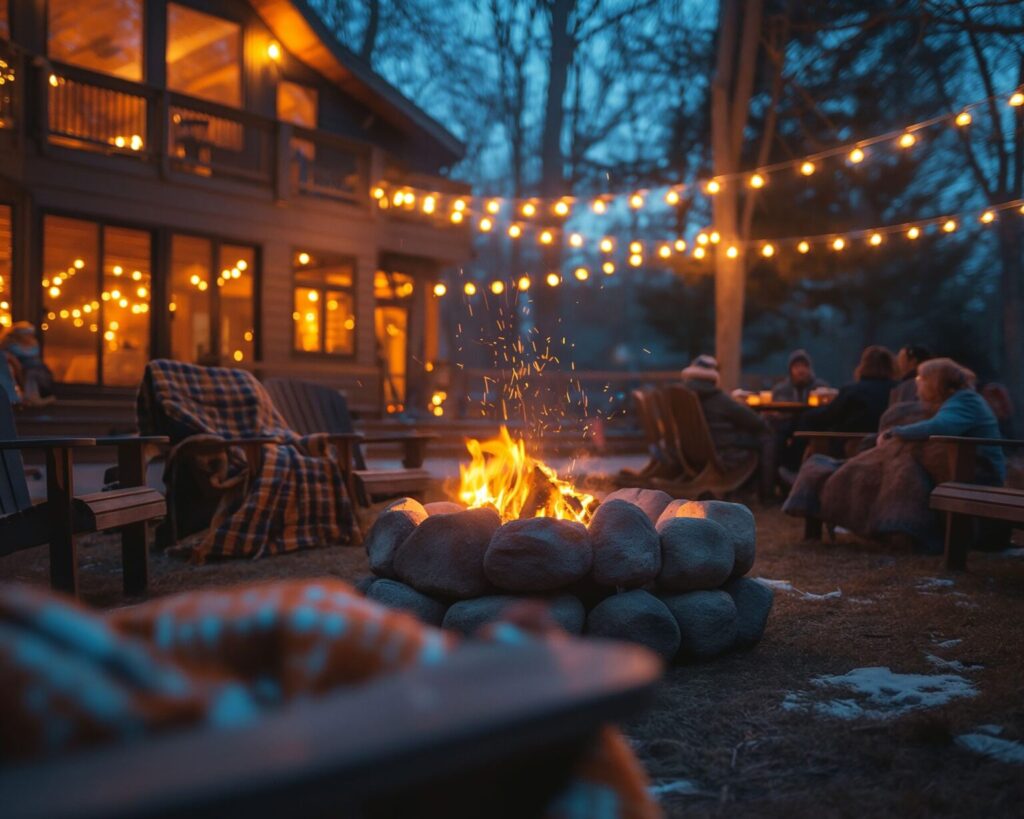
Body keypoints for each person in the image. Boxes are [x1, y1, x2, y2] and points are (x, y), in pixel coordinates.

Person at [883, 358, 1005, 485]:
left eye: (920, 379)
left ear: (934, 382)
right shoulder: (959, 399)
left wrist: (896, 432)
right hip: (969, 470)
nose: (917, 385)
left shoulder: (966, 400)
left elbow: (939, 426)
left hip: (983, 475)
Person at [681, 354, 768, 467]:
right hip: (722, 453)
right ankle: (768, 484)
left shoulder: (683, 397)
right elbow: (757, 422)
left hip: (690, 454)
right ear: (713, 378)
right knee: (767, 436)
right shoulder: (717, 398)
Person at [1, 322, 55, 405]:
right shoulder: (10, 345)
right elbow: (8, 357)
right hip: (23, 368)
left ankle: (33, 397)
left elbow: (35, 358)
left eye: (30, 333)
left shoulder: (34, 343)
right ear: (19, 334)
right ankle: (31, 397)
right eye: (26, 333)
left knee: (34, 373)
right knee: (30, 374)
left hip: (39, 369)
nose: (29, 335)